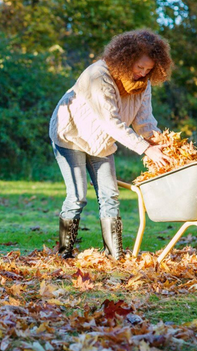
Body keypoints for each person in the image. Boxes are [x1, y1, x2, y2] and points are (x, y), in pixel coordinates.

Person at [49, 29, 173, 260]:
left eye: (149, 69)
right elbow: (111, 123)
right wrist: (146, 149)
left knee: (110, 195)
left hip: (101, 143)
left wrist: (159, 142)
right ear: (126, 60)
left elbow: (144, 121)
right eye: (139, 67)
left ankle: (114, 256)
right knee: (77, 196)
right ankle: (64, 255)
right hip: (70, 135)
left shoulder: (143, 85)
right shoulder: (98, 76)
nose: (143, 73)